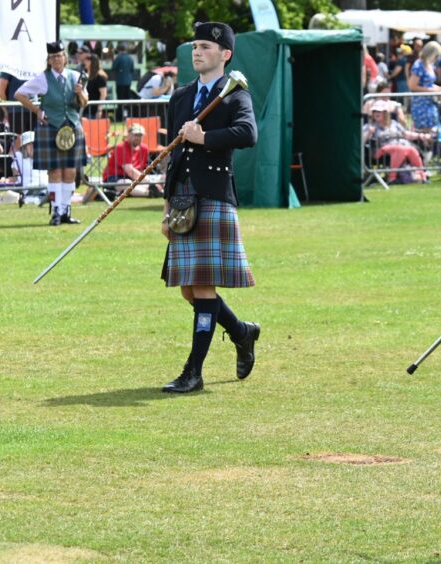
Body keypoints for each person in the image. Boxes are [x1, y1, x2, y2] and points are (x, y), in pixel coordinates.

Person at [160, 22, 260, 393]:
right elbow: (173, 156)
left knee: (202, 288)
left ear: (225, 54)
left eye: (204, 46)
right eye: (194, 46)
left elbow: (248, 134)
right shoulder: (182, 97)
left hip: (214, 196)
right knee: (190, 290)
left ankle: (193, 372)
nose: (196, 51)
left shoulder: (235, 94)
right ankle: (241, 331)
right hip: (183, 201)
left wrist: (205, 138)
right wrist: (166, 206)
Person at [14, 40, 88, 226]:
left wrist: (80, 93)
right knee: (54, 171)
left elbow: (84, 102)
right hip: (51, 128)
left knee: (70, 171)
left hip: (72, 127)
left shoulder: (75, 76)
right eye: (53, 57)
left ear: (65, 58)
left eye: (59, 56)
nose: (57, 59)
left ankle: (66, 210)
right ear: (49, 60)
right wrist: (37, 110)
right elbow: (19, 94)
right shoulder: (42, 79)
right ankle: (56, 210)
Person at [363, 101, 430, 184]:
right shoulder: (370, 126)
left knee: (411, 149)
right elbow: (362, 141)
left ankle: (423, 176)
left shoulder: (394, 124)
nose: (377, 114)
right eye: (375, 111)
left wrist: (421, 136)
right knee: (399, 148)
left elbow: (406, 134)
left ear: (385, 113)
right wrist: (369, 133)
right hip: (379, 150)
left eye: (379, 111)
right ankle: (392, 178)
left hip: (399, 147)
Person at [95, 123, 161, 199]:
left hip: (133, 178)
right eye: (135, 135)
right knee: (126, 183)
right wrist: (149, 183)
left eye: (140, 135)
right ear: (128, 135)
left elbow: (140, 170)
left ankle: (152, 191)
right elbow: (129, 170)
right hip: (114, 178)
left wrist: (149, 182)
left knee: (160, 179)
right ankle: (149, 193)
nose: (138, 138)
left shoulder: (144, 148)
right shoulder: (121, 147)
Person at [407, 41, 441, 132]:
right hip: (421, 104)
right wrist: (433, 91)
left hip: (430, 102)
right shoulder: (419, 65)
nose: (437, 59)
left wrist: (439, 89)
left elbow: (428, 83)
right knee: (426, 133)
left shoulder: (430, 65)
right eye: (436, 56)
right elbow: (412, 86)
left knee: (433, 131)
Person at [85, 54, 108, 118]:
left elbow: (103, 94)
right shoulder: (86, 75)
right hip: (85, 108)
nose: (85, 62)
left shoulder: (99, 77)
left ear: (92, 62)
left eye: (87, 61)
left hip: (93, 110)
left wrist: (99, 110)